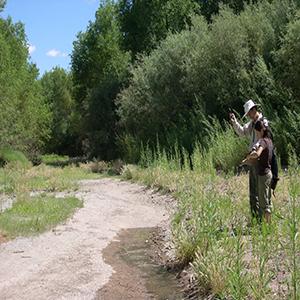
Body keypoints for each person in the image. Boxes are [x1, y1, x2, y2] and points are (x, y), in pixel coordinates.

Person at [229, 100, 269, 218]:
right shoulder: (252, 123)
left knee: (260, 191)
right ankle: (255, 217)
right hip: (253, 159)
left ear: (253, 110)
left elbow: (265, 140)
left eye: (249, 113)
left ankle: (262, 219)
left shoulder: (263, 122)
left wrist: (255, 150)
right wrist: (234, 122)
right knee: (253, 190)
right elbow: (242, 132)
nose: (249, 116)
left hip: (261, 159)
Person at [242, 120, 273, 223]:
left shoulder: (263, 141)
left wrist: (249, 157)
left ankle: (265, 227)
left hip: (263, 175)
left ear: (262, 130)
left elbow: (257, 154)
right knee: (268, 201)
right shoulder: (269, 141)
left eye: (257, 132)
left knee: (263, 203)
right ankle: (268, 226)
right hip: (269, 173)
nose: (257, 135)